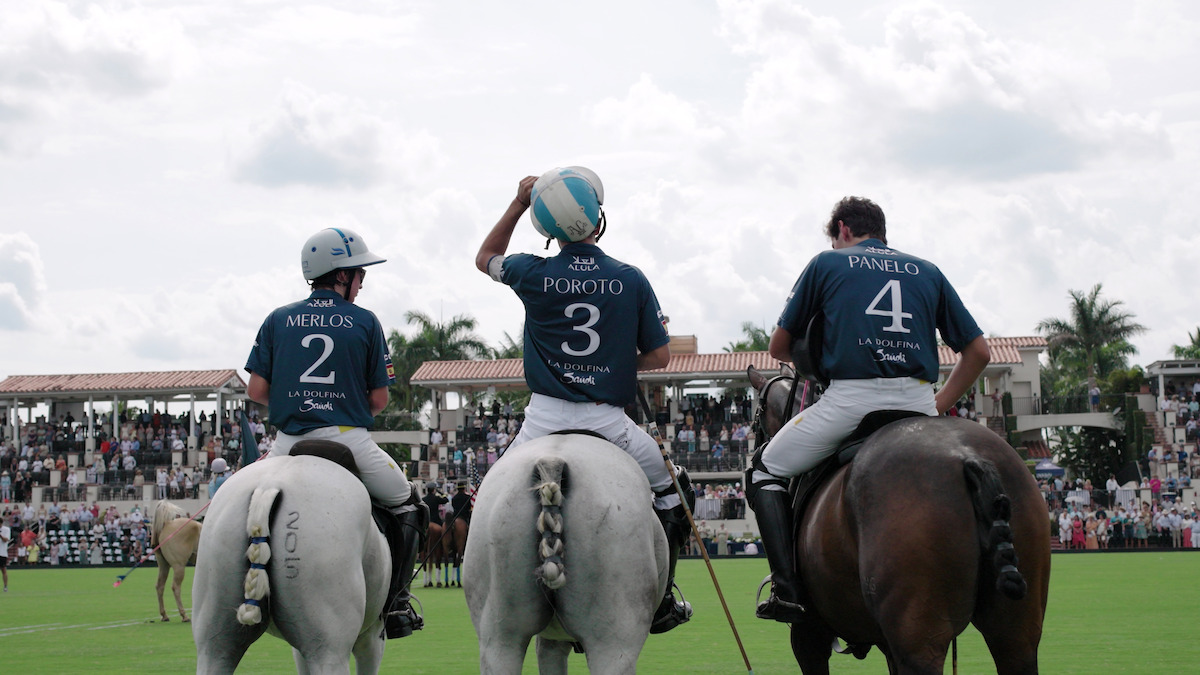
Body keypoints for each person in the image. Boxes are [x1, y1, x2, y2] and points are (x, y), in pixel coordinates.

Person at [747, 196, 991, 622]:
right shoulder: (928, 271)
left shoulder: (827, 263)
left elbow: (778, 348)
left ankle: (787, 589)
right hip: (919, 402)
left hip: (851, 401)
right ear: (881, 231)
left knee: (763, 469)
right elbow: (979, 352)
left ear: (842, 230)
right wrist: (938, 404)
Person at [475, 167, 693, 634]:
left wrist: (517, 201)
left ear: (547, 229)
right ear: (599, 219)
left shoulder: (530, 270)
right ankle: (664, 596)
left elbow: (486, 257)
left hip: (541, 422)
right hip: (609, 424)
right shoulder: (630, 278)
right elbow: (658, 355)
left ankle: (487, 594)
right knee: (675, 496)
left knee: (487, 500)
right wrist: (616, 361)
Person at [245, 226, 424, 639]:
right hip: (348, 439)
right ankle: (396, 603)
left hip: (288, 444)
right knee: (406, 501)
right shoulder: (364, 321)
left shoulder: (278, 318)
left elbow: (257, 391)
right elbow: (378, 401)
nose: (362, 282)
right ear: (341, 275)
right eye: (360, 274)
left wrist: (297, 401)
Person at [1, 516, 10, 590]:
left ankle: (5, 586)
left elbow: (5, 540)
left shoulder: (6, 529)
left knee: (3, 570)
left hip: (2, 553)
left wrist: (0, 535)